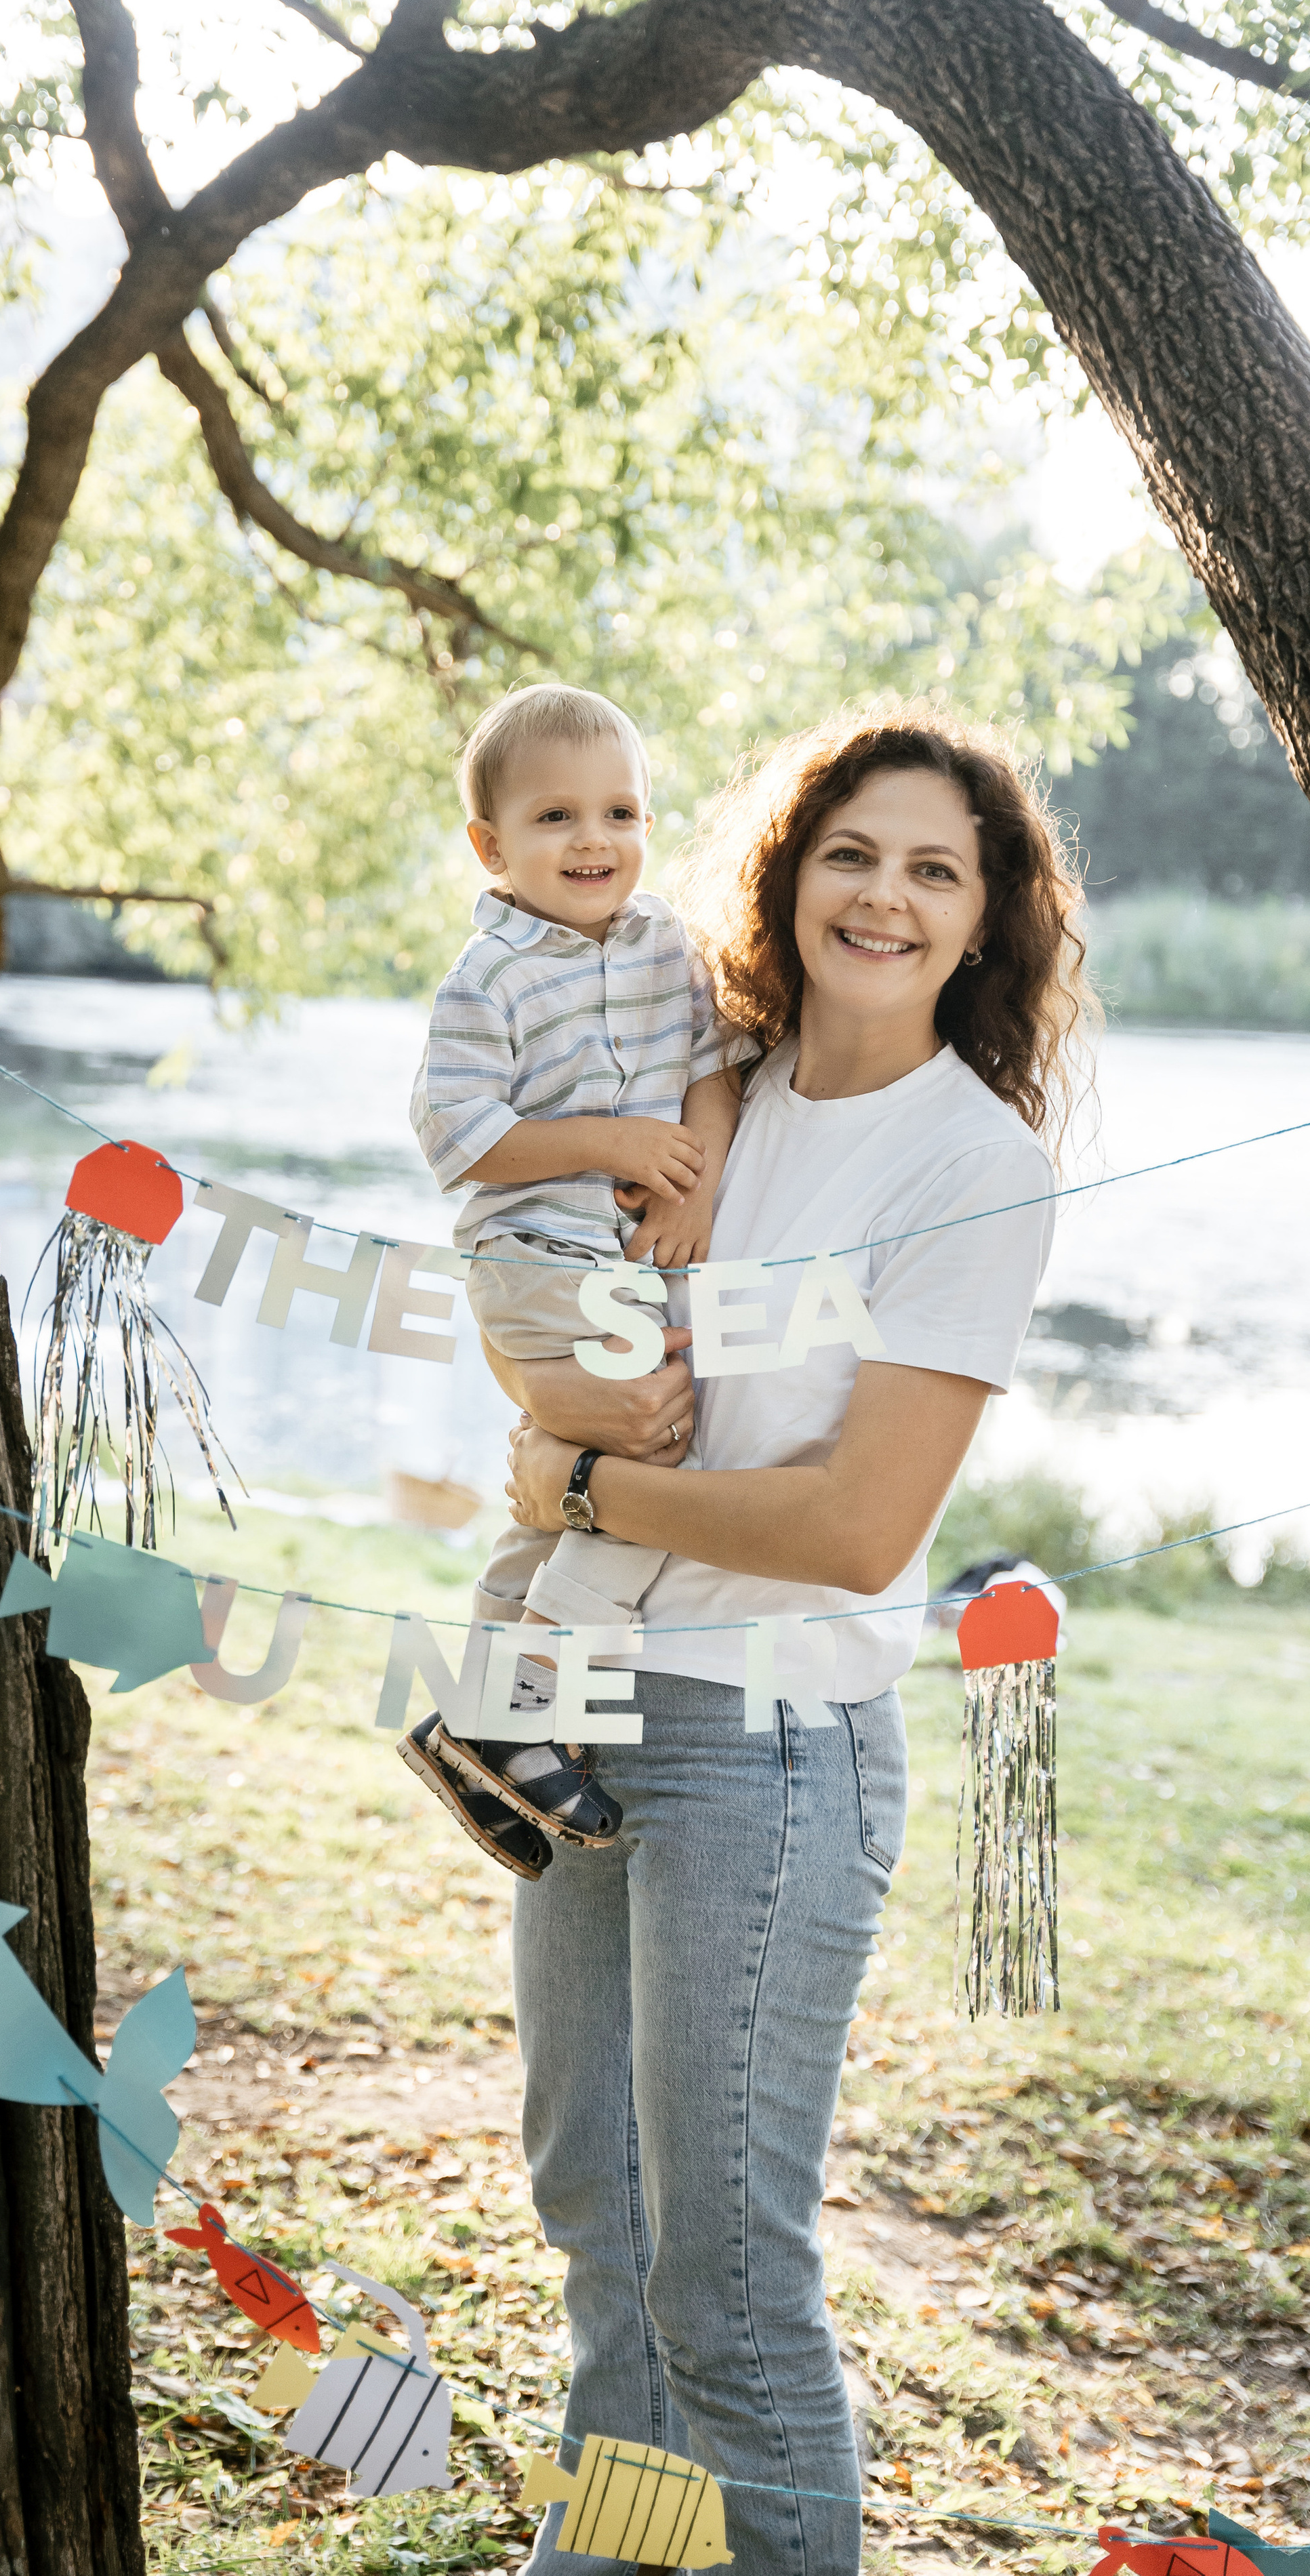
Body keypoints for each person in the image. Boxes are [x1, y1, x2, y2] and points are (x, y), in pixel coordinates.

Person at [487, 705, 1095, 2576]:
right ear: (788, 873)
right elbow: (545, 1312)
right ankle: (610, 2562)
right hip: (592, 1700)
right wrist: (552, 1437)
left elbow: (853, 1526)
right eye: (854, 853)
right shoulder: (711, 1094)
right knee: (598, 2210)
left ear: (987, 920)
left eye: (936, 868)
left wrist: (576, 1497)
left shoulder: (971, 1162)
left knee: (726, 2272)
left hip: (773, 1741)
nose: (887, 896)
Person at [403, 684, 755, 1877]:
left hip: (621, 1259)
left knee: (561, 1496)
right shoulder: (487, 976)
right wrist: (611, 1142)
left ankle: (480, 1720)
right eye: (557, 818)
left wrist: (694, 1184)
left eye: (622, 811)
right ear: (492, 848)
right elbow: (462, 1138)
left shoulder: (664, 942)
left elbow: (713, 1065)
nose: (595, 841)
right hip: (535, 1251)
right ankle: (527, 1696)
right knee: (647, 1447)